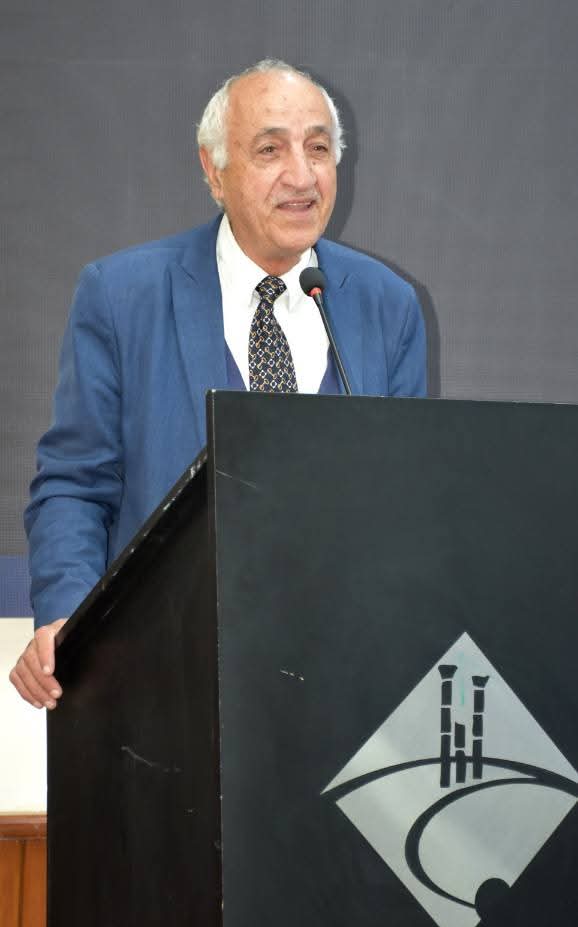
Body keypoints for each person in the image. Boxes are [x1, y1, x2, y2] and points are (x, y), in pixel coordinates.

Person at [10, 58, 427, 710]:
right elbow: (74, 484)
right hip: (161, 681)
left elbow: (408, 502)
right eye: (270, 150)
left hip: (337, 688)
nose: (302, 176)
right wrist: (70, 618)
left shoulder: (387, 305)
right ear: (214, 170)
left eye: (319, 149)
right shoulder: (122, 296)